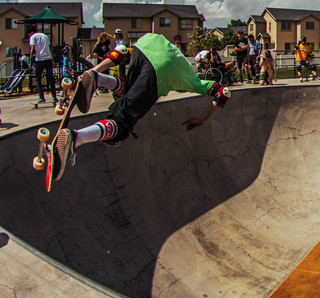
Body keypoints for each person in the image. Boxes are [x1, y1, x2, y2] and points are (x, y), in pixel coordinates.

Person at [47, 33, 232, 183]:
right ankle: (77, 138)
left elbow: (120, 53)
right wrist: (200, 119)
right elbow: (223, 91)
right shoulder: (193, 81)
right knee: (122, 124)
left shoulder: (172, 51)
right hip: (162, 70)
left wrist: (93, 71)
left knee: (128, 88)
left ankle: (98, 79)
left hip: (146, 43)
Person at [28, 25, 58, 105]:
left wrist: (31, 61)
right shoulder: (45, 36)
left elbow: (32, 49)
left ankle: (41, 97)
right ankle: (54, 97)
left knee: (38, 79)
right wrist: (52, 59)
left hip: (39, 59)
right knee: (50, 78)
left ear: (31, 32)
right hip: (48, 58)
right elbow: (49, 47)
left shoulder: (33, 37)